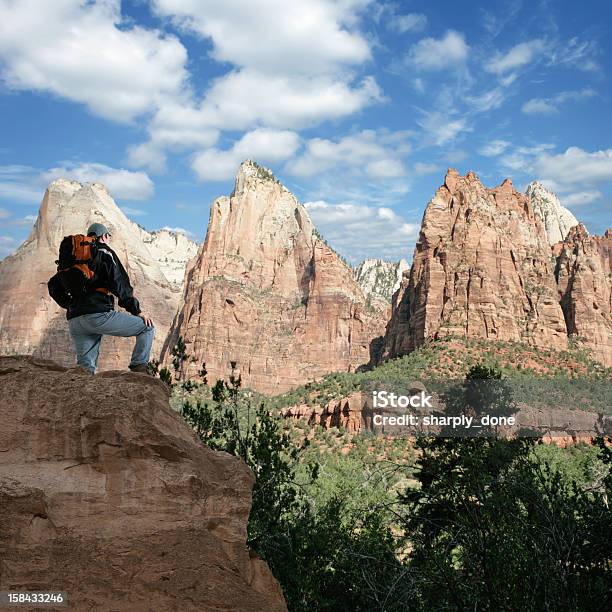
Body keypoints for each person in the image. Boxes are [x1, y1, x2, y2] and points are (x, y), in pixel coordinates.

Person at [67, 222, 155, 374]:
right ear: (105, 236)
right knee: (147, 328)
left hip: (75, 320)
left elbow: (54, 285)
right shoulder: (104, 253)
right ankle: (139, 368)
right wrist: (137, 311)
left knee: (85, 370)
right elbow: (120, 284)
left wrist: (70, 307)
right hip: (98, 316)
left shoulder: (75, 257)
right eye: (108, 237)